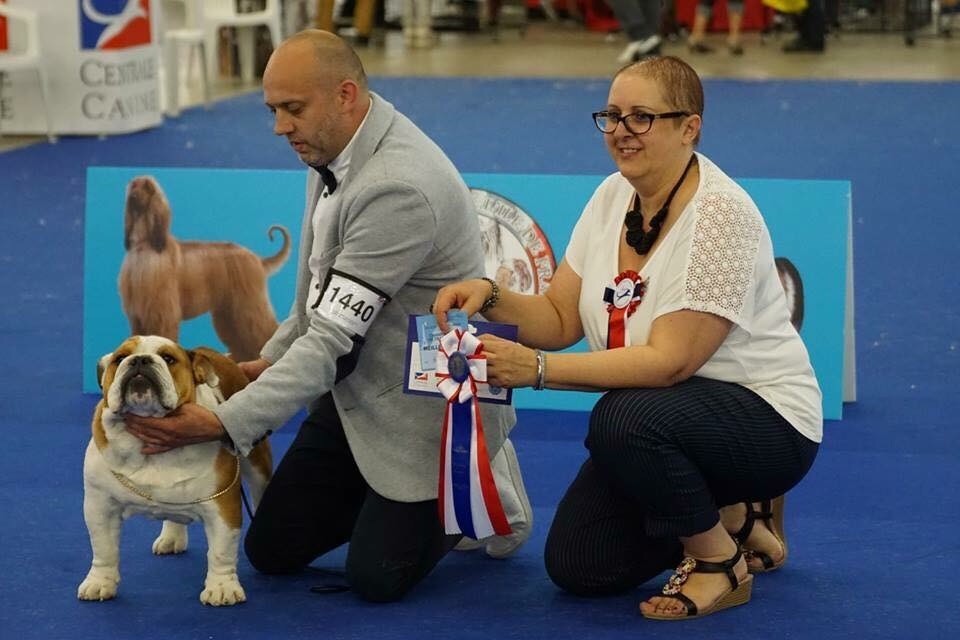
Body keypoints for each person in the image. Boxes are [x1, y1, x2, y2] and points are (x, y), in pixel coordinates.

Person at [123, 29, 531, 602]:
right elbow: (311, 303)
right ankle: (383, 493)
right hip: (355, 391)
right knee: (271, 552)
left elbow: (330, 342)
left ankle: (485, 468)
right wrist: (263, 363)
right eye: (272, 110)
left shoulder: (397, 187)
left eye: (293, 109)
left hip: (427, 406)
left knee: (376, 579)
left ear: (345, 95)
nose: (279, 127)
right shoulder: (331, 149)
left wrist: (225, 422)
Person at [432, 56, 821, 620]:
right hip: (667, 418)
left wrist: (535, 370)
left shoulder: (721, 218)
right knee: (580, 567)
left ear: (689, 127)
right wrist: (489, 294)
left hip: (767, 421)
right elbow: (559, 318)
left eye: (641, 117)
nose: (620, 130)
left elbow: (669, 364)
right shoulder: (612, 195)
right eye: (612, 115)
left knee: (622, 418)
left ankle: (718, 561)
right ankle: (737, 517)